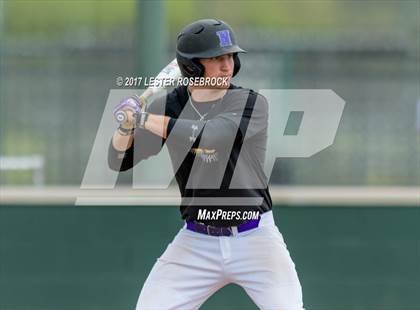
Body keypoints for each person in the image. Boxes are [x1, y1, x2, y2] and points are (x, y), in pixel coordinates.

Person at [108, 19, 304, 310]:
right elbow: (118, 160)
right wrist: (125, 127)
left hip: (255, 237)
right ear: (192, 67)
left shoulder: (250, 103)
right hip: (196, 240)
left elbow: (211, 137)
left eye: (229, 57)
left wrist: (142, 118)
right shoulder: (170, 107)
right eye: (216, 58)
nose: (227, 66)